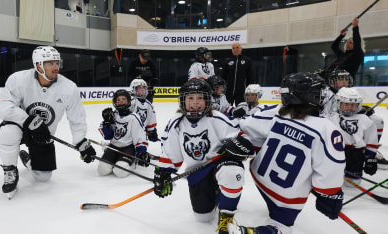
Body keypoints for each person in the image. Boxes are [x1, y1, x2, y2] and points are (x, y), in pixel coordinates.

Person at [228, 72, 346, 234]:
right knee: (282, 227)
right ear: (308, 96)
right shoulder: (326, 129)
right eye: (318, 92)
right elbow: (331, 168)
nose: (321, 96)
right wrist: (330, 194)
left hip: (259, 178)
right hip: (286, 197)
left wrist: (245, 141)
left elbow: (248, 126)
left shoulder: (278, 112)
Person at [0, 46, 96, 199]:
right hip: (20, 128)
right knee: (7, 131)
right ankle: (10, 169)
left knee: (43, 177)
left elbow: (77, 118)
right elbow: (3, 108)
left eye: (57, 62)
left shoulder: (69, 88)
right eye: (50, 63)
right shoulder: (18, 79)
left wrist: (81, 141)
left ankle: (29, 161)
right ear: (38, 65)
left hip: (42, 135)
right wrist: (28, 120)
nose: (56, 67)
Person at [153, 79, 252, 234]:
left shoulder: (217, 118)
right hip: (197, 171)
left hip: (220, 164)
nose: (195, 103)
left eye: (200, 98)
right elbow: (172, 153)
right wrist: (163, 172)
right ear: (182, 101)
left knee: (232, 173)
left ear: (207, 100)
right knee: (202, 217)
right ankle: (218, 194)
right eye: (190, 98)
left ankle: (226, 215)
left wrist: (240, 144)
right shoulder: (176, 123)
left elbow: (240, 138)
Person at [328, 87, 378, 186]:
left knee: (352, 184)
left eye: (354, 105)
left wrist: (370, 159)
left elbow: (371, 142)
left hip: (356, 155)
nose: (350, 107)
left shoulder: (365, 120)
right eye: (347, 104)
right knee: (331, 181)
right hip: (335, 153)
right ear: (339, 103)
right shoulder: (330, 118)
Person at [97, 89, 150, 177]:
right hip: (113, 146)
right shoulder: (113, 115)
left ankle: (133, 161)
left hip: (128, 148)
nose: (121, 102)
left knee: (120, 172)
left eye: (124, 99)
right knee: (102, 170)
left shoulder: (134, 118)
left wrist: (141, 152)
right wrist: (107, 123)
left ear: (129, 101)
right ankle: (115, 157)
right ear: (115, 103)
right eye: (118, 100)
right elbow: (108, 136)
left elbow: (140, 136)